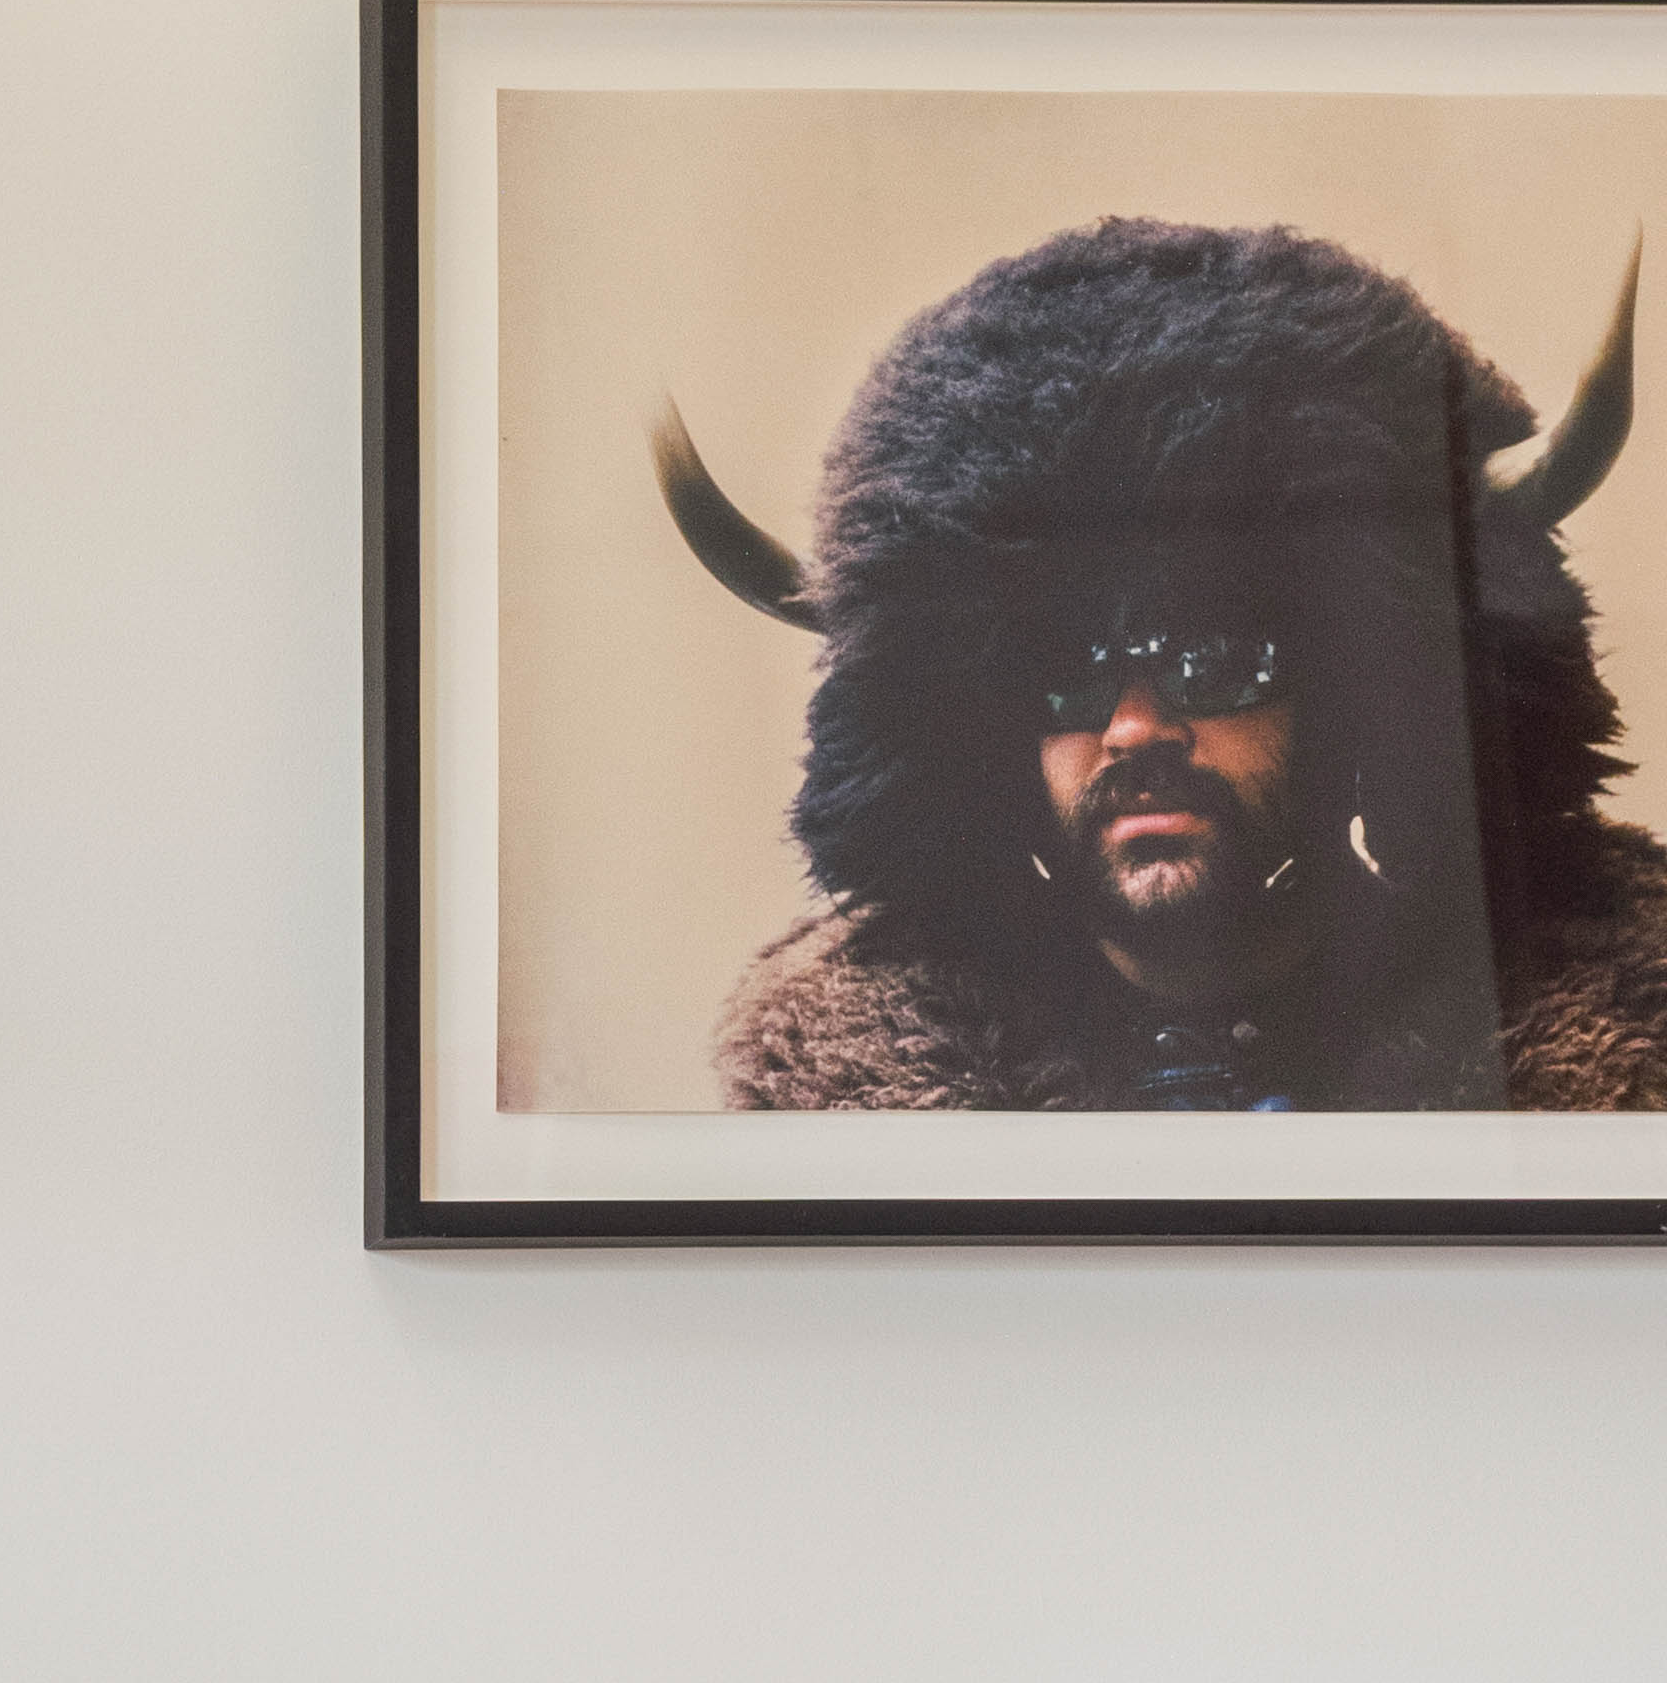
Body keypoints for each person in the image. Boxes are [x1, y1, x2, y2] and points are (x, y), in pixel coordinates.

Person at [653, 212, 1667, 1111]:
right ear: (982, 735)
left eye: (1215, 658)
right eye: (1068, 678)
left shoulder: (1596, 1055)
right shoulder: (830, 1106)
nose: (1134, 726)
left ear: (1360, 699)